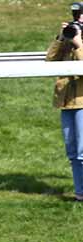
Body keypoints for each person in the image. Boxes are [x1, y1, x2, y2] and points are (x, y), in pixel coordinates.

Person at [46, 2, 83, 202]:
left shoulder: (78, 42)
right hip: (67, 102)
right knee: (73, 152)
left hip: (82, 101)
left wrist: (79, 45)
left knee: (82, 151)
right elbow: (50, 60)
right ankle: (80, 193)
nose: (78, 19)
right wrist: (62, 38)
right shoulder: (70, 38)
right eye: (76, 15)